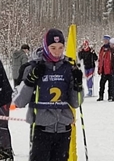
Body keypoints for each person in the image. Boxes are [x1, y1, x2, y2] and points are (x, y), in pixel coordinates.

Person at [13, 28, 83, 161]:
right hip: (42, 129)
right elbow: (19, 101)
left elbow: (76, 102)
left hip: (64, 129)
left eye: (60, 47)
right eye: (53, 47)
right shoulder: (32, 67)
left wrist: (78, 85)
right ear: (46, 46)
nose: (57, 52)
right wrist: (30, 80)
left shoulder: (69, 68)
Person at [97, 35, 113, 101]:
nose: (105, 41)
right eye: (104, 40)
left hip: (110, 69)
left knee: (111, 85)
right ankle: (101, 96)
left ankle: (110, 96)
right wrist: (99, 68)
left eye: (106, 40)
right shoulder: (102, 48)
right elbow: (100, 59)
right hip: (103, 69)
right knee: (102, 84)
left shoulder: (111, 48)